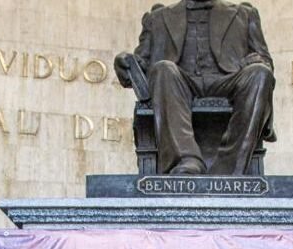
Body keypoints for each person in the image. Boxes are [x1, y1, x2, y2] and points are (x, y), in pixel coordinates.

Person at [116, 0, 275, 175]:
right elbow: (141, 64)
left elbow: (265, 60)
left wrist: (256, 61)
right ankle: (186, 160)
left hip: (228, 81)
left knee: (260, 73)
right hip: (179, 83)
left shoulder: (245, 14)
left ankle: (228, 168)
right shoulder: (157, 17)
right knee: (162, 68)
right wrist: (125, 63)